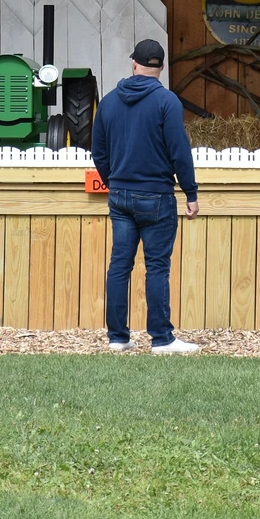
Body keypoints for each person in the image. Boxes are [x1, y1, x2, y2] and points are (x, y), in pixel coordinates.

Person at [91, 38, 201, 354]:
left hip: (121, 196)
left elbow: (97, 150)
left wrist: (113, 179)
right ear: (162, 68)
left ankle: (118, 338)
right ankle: (162, 339)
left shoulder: (109, 102)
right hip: (157, 196)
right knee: (156, 267)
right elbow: (179, 152)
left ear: (134, 64)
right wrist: (190, 192)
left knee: (119, 266)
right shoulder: (167, 102)